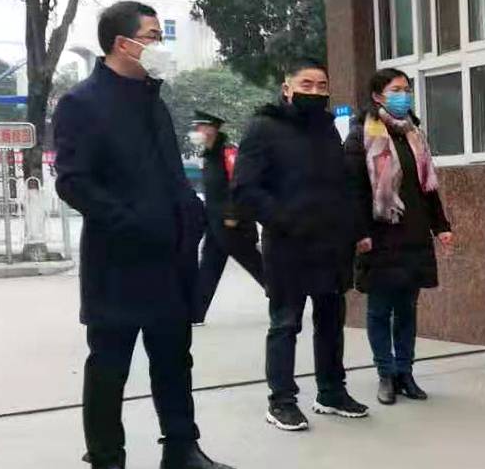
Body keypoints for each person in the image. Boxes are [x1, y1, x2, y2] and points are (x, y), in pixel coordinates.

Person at [53, 0, 239, 469]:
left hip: (170, 257)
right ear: (123, 43)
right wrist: (132, 222)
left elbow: (170, 173)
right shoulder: (82, 103)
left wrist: (191, 215)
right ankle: (107, 463)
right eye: (154, 35)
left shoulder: (153, 100)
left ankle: (181, 450)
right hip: (117, 259)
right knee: (109, 364)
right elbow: (73, 182)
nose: (161, 44)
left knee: (174, 359)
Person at [233, 60, 369, 431]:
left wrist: (353, 229)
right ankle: (281, 401)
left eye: (322, 85)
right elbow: (245, 189)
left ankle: (331, 392)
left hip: (330, 245)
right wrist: (286, 219)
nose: (315, 91)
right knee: (285, 324)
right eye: (306, 84)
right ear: (287, 88)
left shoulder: (328, 129)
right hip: (288, 246)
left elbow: (343, 185)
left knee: (331, 322)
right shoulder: (263, 127)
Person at [343, 69, 455, 406]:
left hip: (413, 233)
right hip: (379, 235)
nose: (403, 95)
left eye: (407, 89)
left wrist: (441, 226)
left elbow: (427, 188)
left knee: (407, 308)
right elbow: (353, 191)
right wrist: (359, 233)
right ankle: (386, 373)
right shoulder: (361, 136)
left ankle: (405, 372)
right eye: (396, 89)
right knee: (380, 310)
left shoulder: (413, 134)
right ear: (378, 96)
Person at [188, 109, 265, 323]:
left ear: (212, 129)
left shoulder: (228, 153)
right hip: (215, 225)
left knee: (256, 265)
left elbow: (238, 184)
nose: (196, 131)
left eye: (200, 126)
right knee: (208, 268)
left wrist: (233, 214)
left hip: (233, 225)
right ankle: (195, 314)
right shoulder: (208, 156)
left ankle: (284, 298)